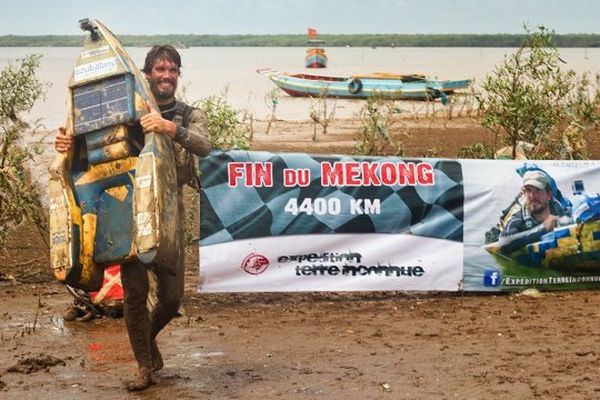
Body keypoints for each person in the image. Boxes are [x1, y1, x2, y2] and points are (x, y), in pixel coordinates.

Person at [55, 45, 212, 391]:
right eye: (159, 70)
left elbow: (206, 146)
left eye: (172, 70)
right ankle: (143, 366)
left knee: (172, 298)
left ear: (178, 75)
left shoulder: (186, 113)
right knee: (134, 295)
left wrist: (169, 128)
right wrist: (68, 145)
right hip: (128, 210)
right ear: (147, 74)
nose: (166, 75)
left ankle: (148, 339)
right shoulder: (124, 110)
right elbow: (92, 148)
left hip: (169, 214)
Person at [499, 170, 570, 254]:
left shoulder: (559, 209)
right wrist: (543, 228)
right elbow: (503, 242)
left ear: (549, 195)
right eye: (529, 190)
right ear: (524, 194)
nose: (532, 196)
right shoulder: (519, 217)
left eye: (538, 190)